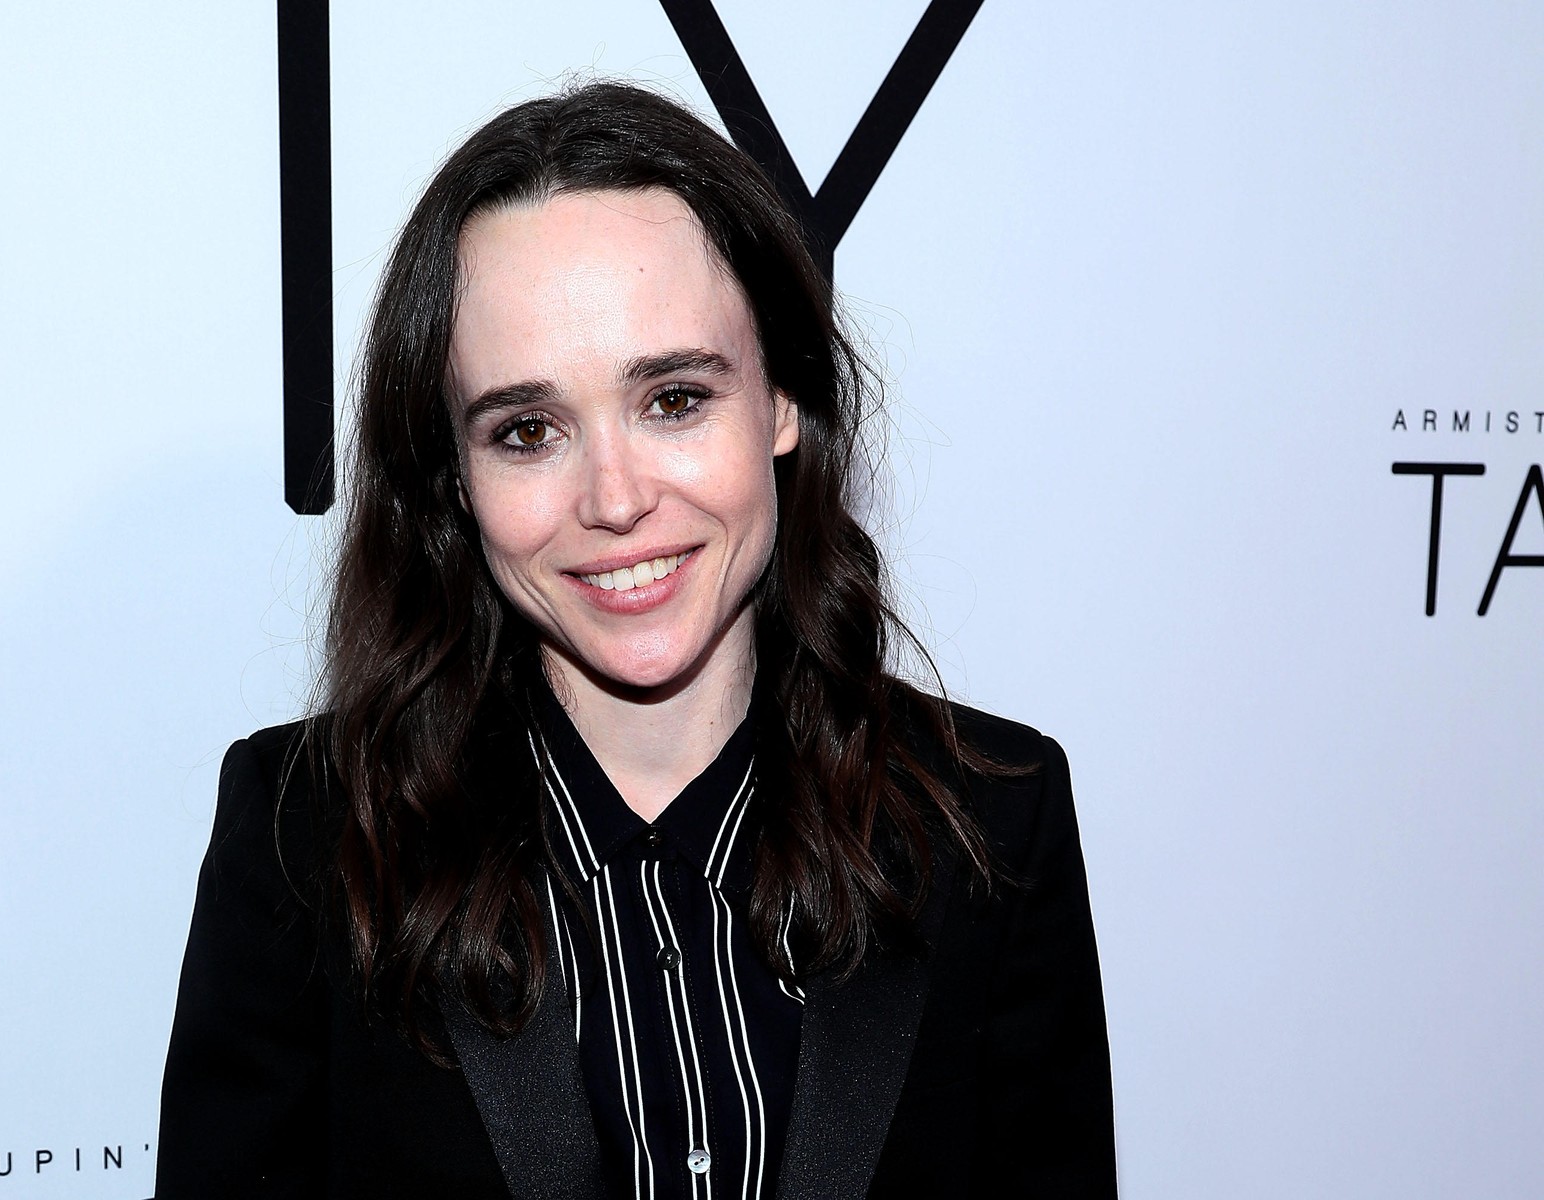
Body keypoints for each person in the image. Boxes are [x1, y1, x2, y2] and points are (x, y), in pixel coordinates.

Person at [156, 81, 1114, 1199]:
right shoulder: (309, 841)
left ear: (784, 401)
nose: (615, 500)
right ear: (455, 480)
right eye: (528, 430)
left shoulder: (992, 821)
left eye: (673, 399)